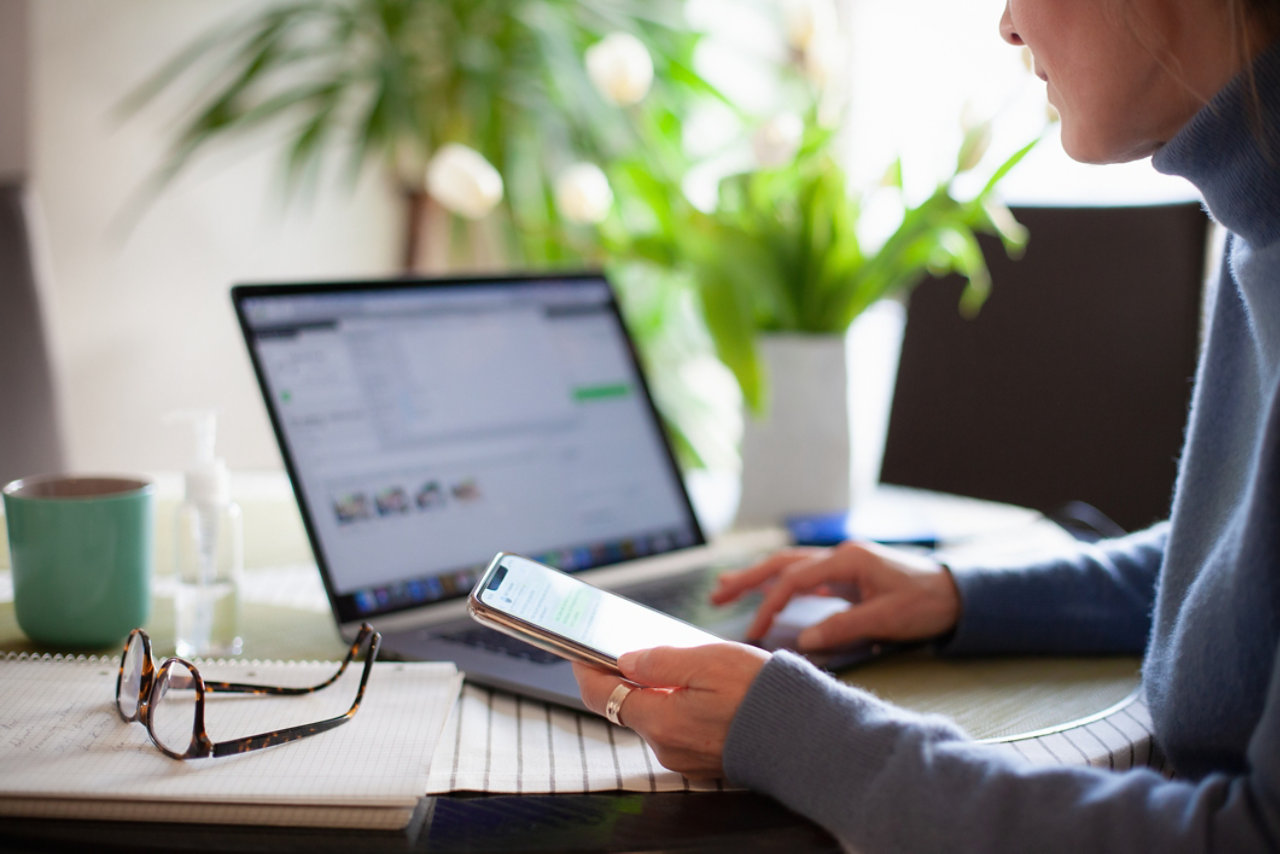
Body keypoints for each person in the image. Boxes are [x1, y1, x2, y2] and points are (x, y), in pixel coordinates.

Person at [573, 0, 1280, 849]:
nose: (1008, 26)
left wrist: (807, 740)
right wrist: (952, 595)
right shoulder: (1258, 226)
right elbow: (1240, 573)